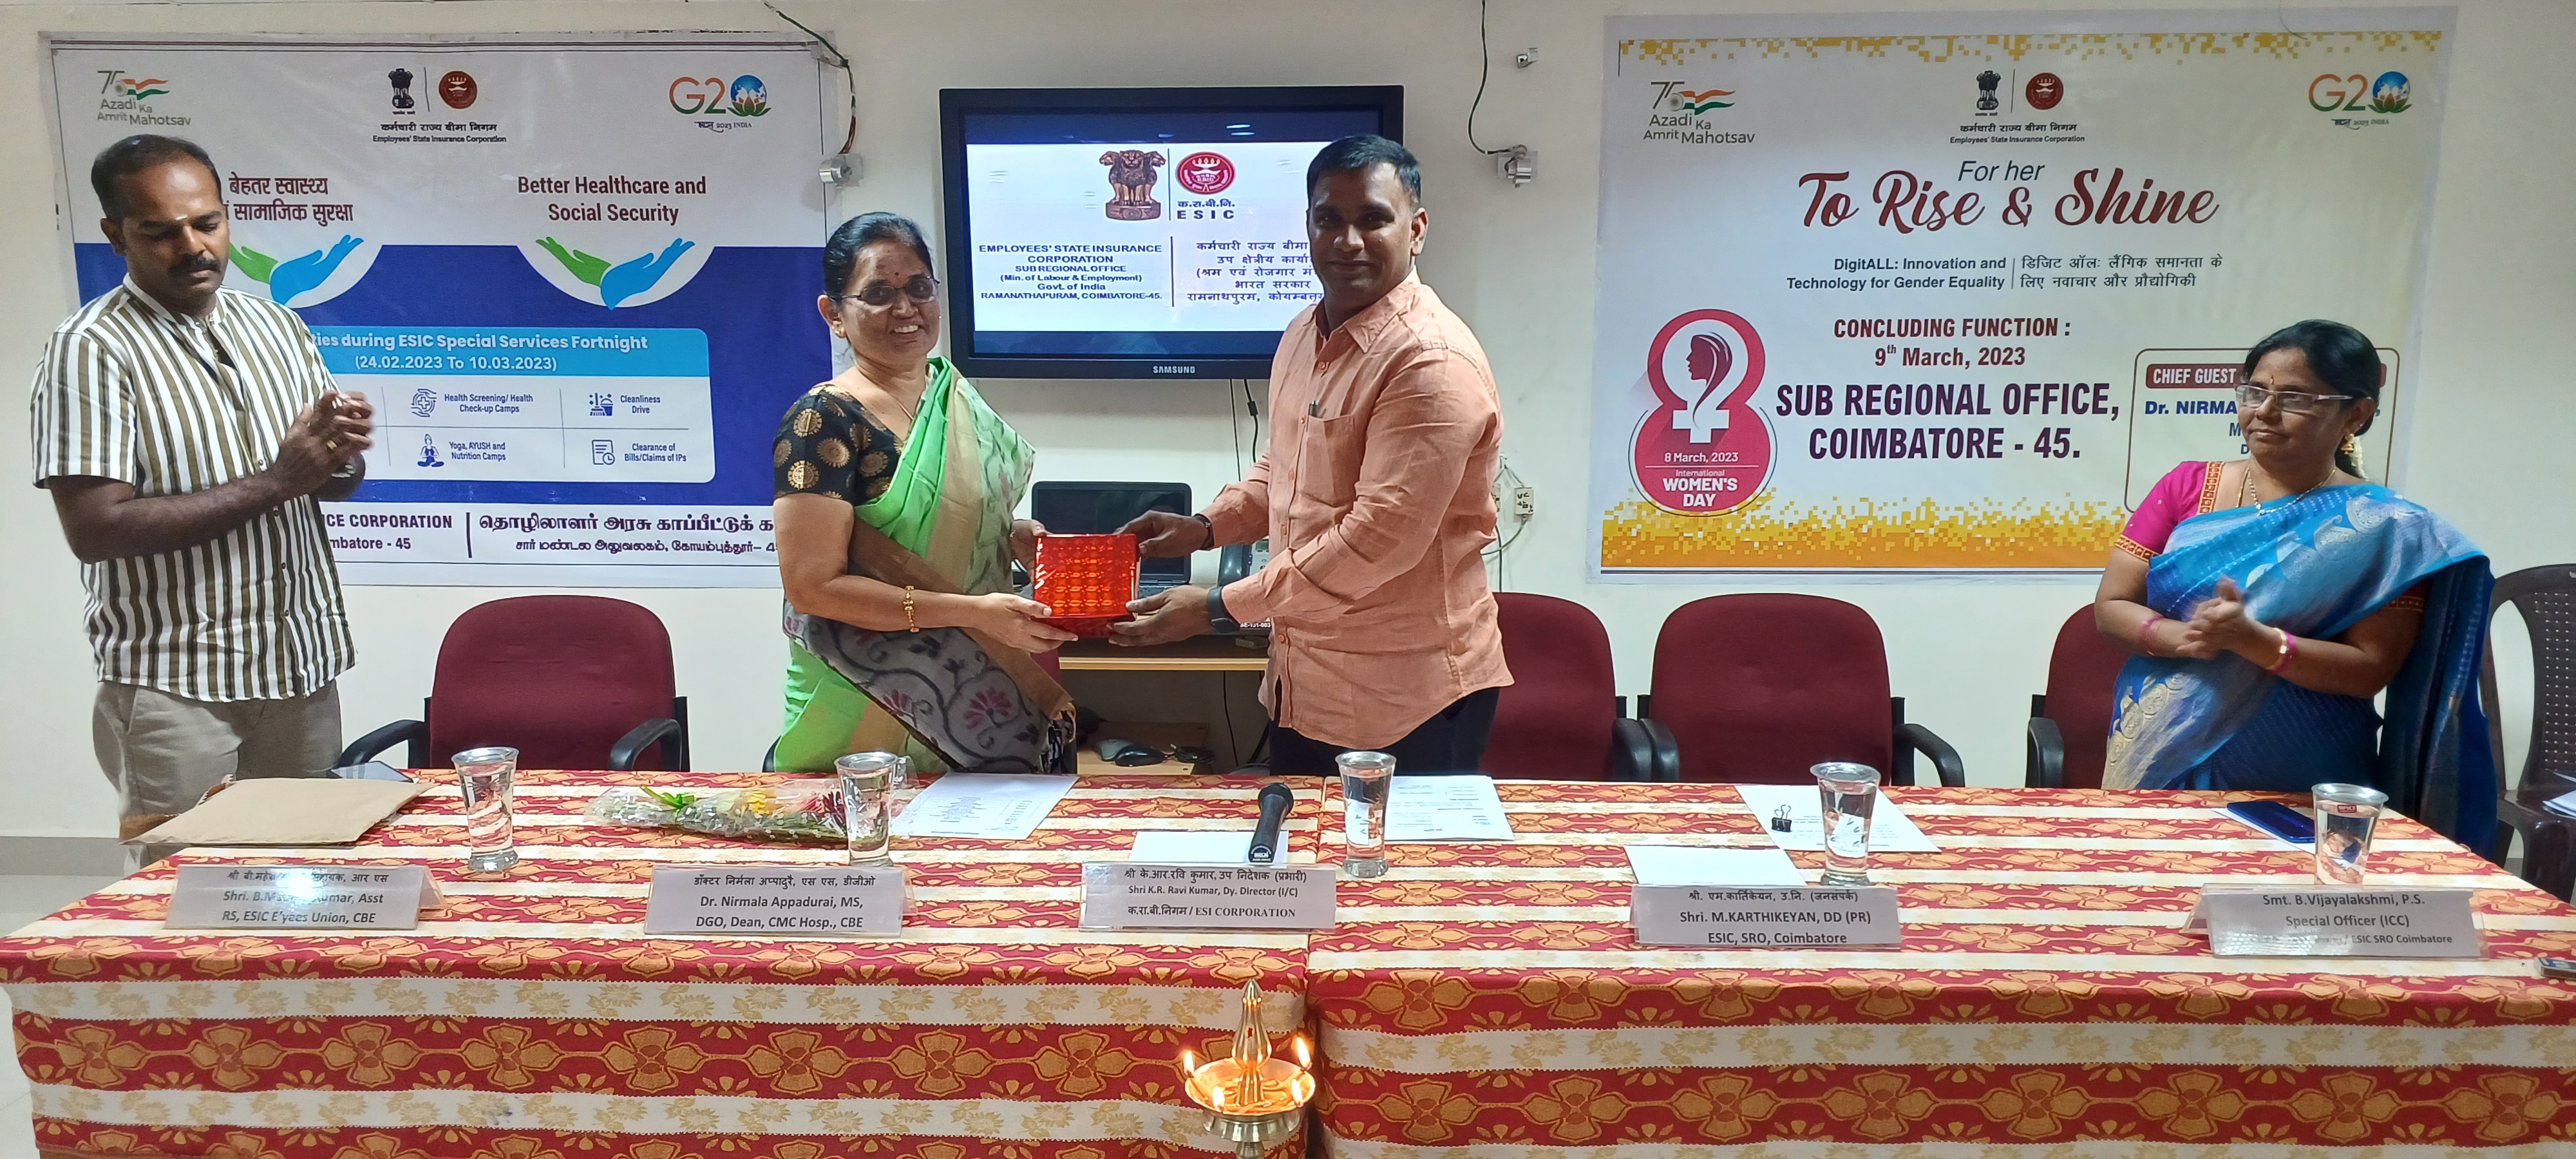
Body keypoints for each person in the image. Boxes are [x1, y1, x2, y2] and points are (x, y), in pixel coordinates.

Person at [1112, 135, 1511, 776]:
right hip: (1304, 684)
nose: (1348, 241)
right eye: (1330, 219)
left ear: (1416, 230)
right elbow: (1285, 470)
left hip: (1408, 698)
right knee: (1300, 842)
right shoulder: (1303, 334)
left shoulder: (1429, 361)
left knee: (1388, 849)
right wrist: (1205, 528)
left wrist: (1217, 608)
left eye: (1373, 219)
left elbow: (1377, 540)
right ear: (1308, 226)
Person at [30, 135, 374, 843]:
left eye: (207, 223)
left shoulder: (276, 326)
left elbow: (329, 483)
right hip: (178, 688)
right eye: (160, 231)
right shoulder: (91, 348)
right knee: (182, 893)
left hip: (301, 670)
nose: (193, 247)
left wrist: (337, 459)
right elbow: (95, 529)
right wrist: (277, 481)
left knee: (307, 878)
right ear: (116, 236)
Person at [2094, 319, 2494, 845]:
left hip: (2300, 772)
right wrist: (2180, 637)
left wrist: (2254, 641)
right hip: (2157, 749)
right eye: (2254, 391)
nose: (2264, 411)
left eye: (2294, 398)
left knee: (2286, 891)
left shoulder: (2384, 528)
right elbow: (2113, 604)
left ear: (2356, 413)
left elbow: (2369, 670)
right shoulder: (2187, 486)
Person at [770, 212, 1076, 774]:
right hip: (861, 692)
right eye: (878, 294)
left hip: (977, 684)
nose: (905, 308)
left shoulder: (952, 396)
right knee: (862, 827)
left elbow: (946, 525)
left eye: (918, 288)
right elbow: (813, 587)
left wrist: (1012, 536)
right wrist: (973, 613)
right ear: (834, 314)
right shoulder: (824, 419)